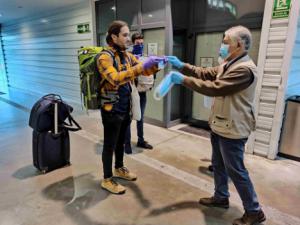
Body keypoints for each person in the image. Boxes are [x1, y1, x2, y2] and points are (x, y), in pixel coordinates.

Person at [166, 26, 266, 225]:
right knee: (218, 165)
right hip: (220, 124)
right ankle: (221, 197)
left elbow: (215, 88)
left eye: (226, 41)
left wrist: (183, 80)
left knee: (236, 170)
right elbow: (205, 73)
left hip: (234, 128)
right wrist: (182, 65)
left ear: (239, 44)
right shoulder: (228, 64)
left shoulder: (244, 70)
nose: (222, 44)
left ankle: (254, 211)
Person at [97, 20, 163, 195]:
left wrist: (156, 64)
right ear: (114, 37)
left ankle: (119, 168)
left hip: (126, 105)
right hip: (111, 107)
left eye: (128, 35)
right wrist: (141, 67)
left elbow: (143, 71)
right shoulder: (105, 57)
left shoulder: (126, 55)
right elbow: (115, 78)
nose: (128, 38)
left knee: (120, 141)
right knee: (110, 144)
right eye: (125, 35)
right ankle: (107, 179)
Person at [124, 32, 153, 154]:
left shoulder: (146, 57)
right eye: (137, 43)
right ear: (132, 43)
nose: (140, 45)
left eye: (142, 43)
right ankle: (127, 143)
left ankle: (141, 140)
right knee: (129, 118)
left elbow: (151, 72)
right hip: (130, 93)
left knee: (140, 117)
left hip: (142, 92)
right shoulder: (127, 57)